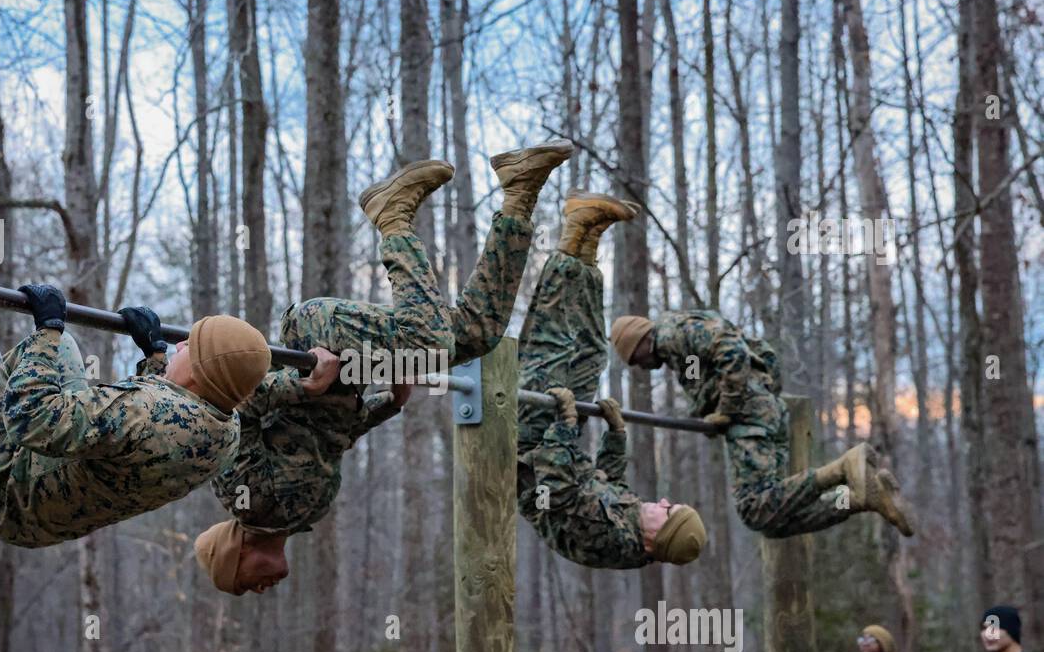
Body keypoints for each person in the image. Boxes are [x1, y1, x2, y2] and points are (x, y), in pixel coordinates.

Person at [196, 140, 574, 595]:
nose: (262, 589)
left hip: (316, 339)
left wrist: (302, 384)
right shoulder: (305, 514)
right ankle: (519, 192)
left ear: (235, 558)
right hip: (348, 376)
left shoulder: (242, 497)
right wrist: (389, 404)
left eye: (244, 585)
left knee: (430, 341)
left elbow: (236, 402)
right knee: (476, 336)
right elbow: (334, 437)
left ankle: (391, 215)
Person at [0, 286, 269, 548]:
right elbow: (155, 429)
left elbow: (31, 417)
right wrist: (154, 356)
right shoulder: (226, 431)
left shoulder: (145, 413)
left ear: (198, 371)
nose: (179, 346)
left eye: (187, 346)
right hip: (42, 501)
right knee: (64, 353)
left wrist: (48, 329)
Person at [516, 190, 706, 569]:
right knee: (591, 354)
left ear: (658, 538)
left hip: (529, 451)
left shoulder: (612, 538)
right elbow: (609, 484)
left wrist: (565, 425)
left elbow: (555, 490)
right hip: (557, 442)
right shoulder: (632, 525)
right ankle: (587, 237)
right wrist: (616, 437)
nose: (665, 502)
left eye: (670, 512)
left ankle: (572, 236)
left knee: (551, 343)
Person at [609, 309, 914, 539]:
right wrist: (705, 413)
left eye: (634, 359)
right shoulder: (674, 351)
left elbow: (732, 351)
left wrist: (727, 409)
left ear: (639, 342)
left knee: (754, 507)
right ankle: (860, 497)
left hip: (750, 417)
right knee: (773, 518)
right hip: (760, 412)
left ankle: (841, 469)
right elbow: (706, 374)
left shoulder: (673, 332)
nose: (639, 367)